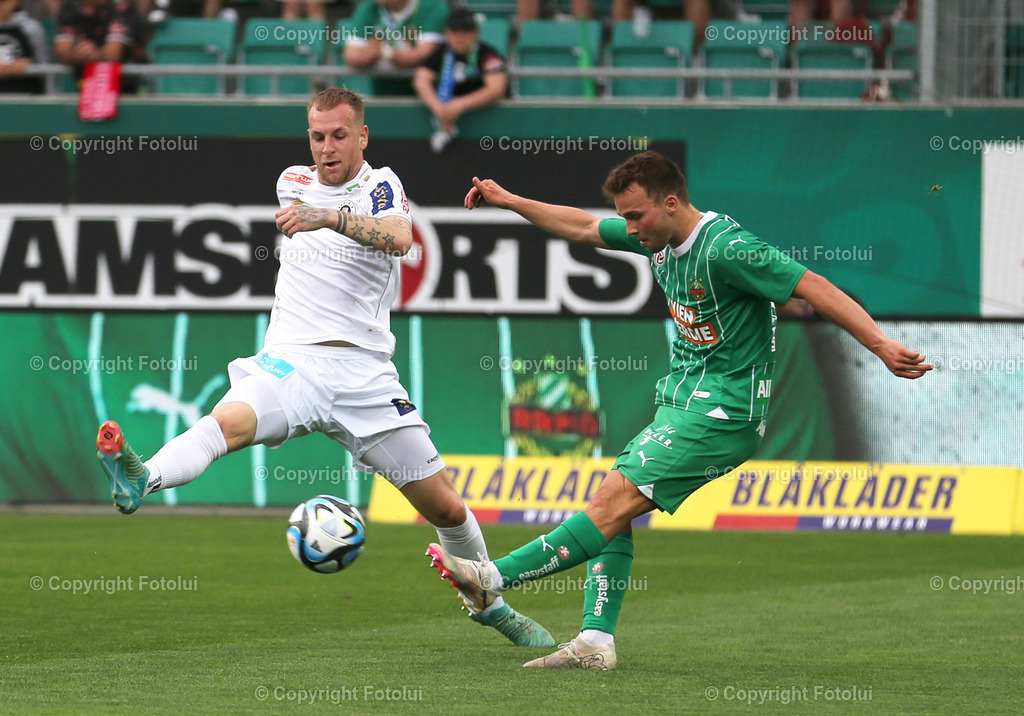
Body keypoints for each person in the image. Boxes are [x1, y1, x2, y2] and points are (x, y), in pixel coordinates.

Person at [426, 151, 932, 669]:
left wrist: (880, 344)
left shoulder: (728, 249)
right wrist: (509, 201)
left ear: (671, 203)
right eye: (624, 217)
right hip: (683, 404)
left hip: (723, 414)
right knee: (612, 509)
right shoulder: (658, 239)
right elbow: (580, 225)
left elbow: (813, 286)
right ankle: (596, 643)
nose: (629, 227)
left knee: (611, 502)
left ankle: (493, 578)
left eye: (635, 216)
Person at [95, 87, 554, 650]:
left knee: (447, 508)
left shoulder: (382, 185)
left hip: (365, 374)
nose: (327, 148)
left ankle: (491, 606)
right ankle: (145, 478)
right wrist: (321, 210)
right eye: (317, 136)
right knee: (227, 423)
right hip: (294, 361)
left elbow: (401, 237)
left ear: (363, 136)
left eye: (340, 135)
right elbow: (323, 208)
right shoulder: (293, 180)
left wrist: (328, 216)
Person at [412, 7, 508, 153]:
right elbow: (421, 80)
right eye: (455, 31)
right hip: (446, 116)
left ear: (476, 33)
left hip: (490, 131)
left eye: (466, 31)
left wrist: (461, 105)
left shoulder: (487, 54)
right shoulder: (441, 53)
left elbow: (496, 88)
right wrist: (439, 108)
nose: (460, 37)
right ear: (447, 33)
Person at [343, 0, 448, 97]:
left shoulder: (432, 6)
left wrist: (385, 52)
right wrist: (369, 54)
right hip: (382, 90)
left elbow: (424, 55)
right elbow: (351, 55)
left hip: (424, 96)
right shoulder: (369, 7)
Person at [53, 0, 147, 93]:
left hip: (126, 88)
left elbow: (113, 55)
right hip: (83, 84)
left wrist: (94, 54)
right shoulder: (70, 5)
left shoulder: (122, 5)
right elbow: (63, 52)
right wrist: (81, 50)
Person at [0, 0, 50, 94]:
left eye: (4, 1)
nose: (1, 5)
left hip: (26, 94)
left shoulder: (31, 28)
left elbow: (45, 63)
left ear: (16, 2)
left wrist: (30, 63)